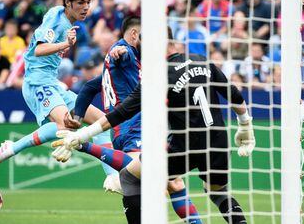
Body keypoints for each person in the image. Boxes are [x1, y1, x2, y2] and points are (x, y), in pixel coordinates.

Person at [52, 28, 256, 224]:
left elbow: (122, 113)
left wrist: (83, 135)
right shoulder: (202, 61)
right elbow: (234, 94)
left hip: (185, 146)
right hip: (218, 143)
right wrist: (245, 125)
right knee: (217, 193)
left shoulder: (158, 75)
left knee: (129, 176)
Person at [56, 20, 202, 224]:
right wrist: (121, 51)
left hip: (124, 129)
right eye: (144, 37)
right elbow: (122, 52)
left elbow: (89, 86)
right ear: (135, 35)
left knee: (173, 183)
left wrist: (78, 116)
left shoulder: (123, 66)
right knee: (152, 177)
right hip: (133, 127)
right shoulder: (126, 53)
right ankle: (86, 147)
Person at [0, 0, 120, 193]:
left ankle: (113, 178)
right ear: (67, 2)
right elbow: (38, 49)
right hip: (37, 82)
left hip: (53, 83)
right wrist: (65, 44)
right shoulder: (55, 18)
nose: (86, 7)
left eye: (88, 2)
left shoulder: (69, 21)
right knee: (65, 125)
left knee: (101, 122)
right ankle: (14, 148)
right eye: (80, 2)